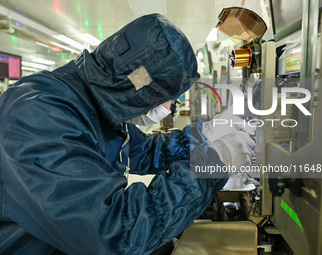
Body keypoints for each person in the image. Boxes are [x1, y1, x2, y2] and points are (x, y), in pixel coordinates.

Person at [0, 14, 254, 255]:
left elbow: (145, 152)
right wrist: (210, 165)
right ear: (138, 84)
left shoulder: (94, 105)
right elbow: (113, 234)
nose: (168, 108)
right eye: (167, 100)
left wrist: (206, 134)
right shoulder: (39, 115)